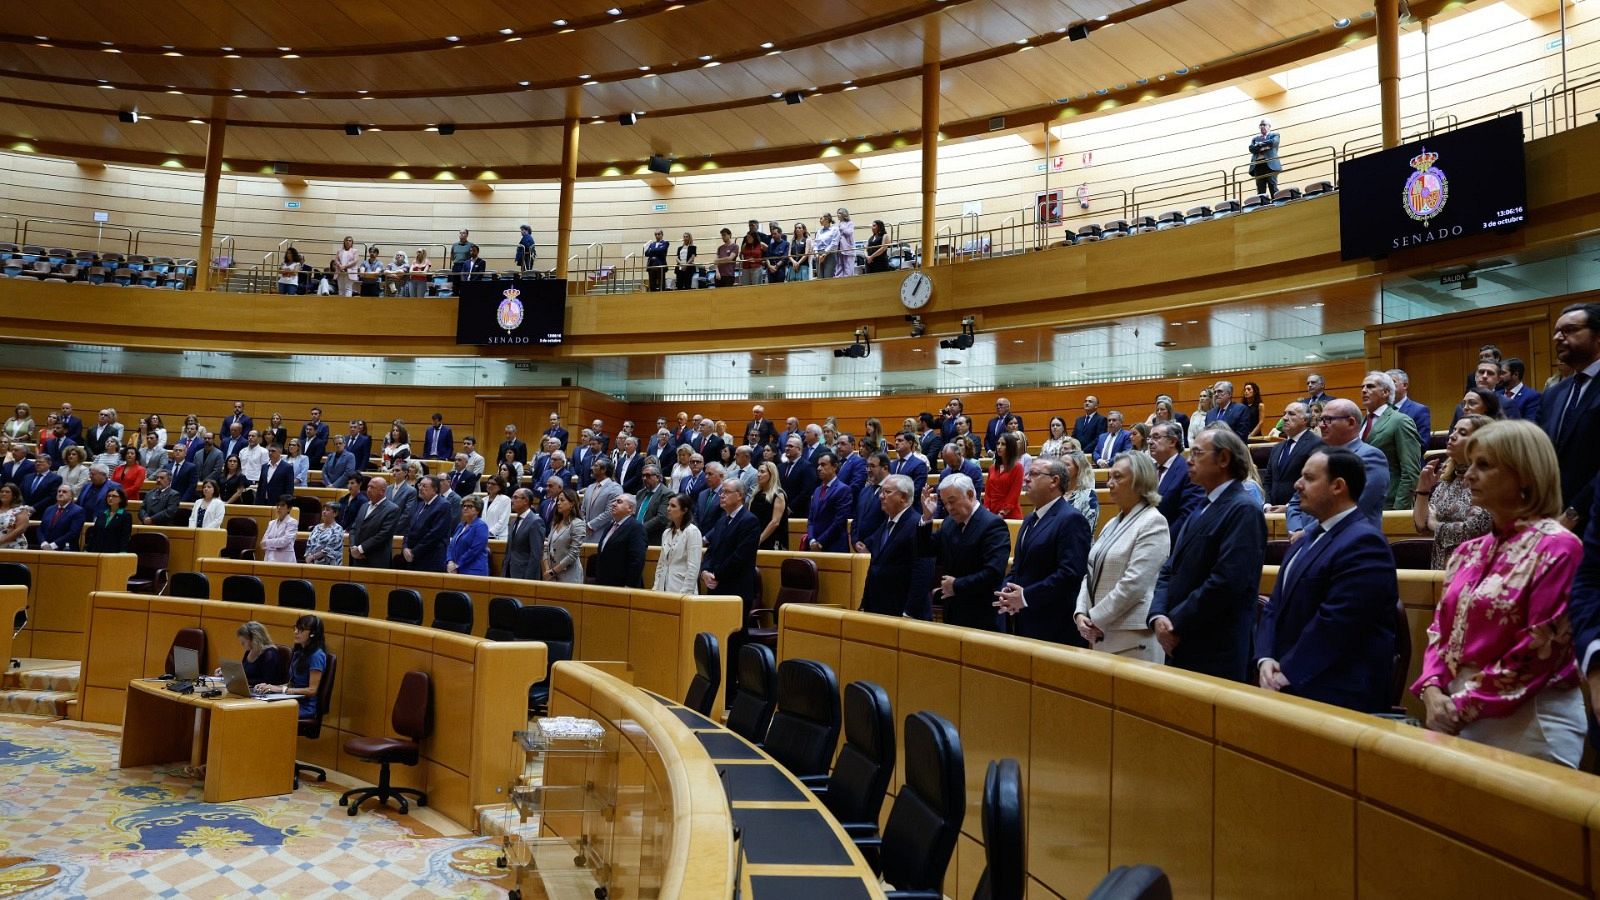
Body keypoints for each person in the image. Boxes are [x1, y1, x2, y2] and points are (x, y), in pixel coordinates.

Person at [1412, 420, 1585, 767]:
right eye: (1470, 464)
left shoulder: (1559, 547)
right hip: (1455, 708)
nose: (1468, 475)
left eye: (1484, 465)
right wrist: (1431, 689)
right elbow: (1439, 631)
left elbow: (1540, 648)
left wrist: (1461, 705)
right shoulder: (1467, 551)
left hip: (1532, 717)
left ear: (1525, 474)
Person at [1256, 449, 1398, 712]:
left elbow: (1339, 621)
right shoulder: (1306, 538)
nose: (1297, 485)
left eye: (1308, 478)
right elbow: (1275, 605)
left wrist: (1288, 670)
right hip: (1288, 680)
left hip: (1337, 692)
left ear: (1338, 486)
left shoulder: (1364, 543)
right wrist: (1265, 657)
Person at [1148, 428, 1268, 681]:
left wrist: (1175, 622)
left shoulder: (1244, 509)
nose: (1189, 460)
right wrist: (1158, 615)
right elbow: (1170, 568)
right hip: (1182, 638)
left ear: (1223, 459)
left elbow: (1226, 582)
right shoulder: (1202, 507)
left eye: (1198, 453)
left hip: (1215, 646)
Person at [1064, 450, 1169, 660]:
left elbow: (1134, 584)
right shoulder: (1113, 523)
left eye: (1118, 477)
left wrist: (1094, 617)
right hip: (1100, 633)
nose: (1110, 482)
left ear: (1140, 481)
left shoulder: (1153, 522)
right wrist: (1080, 613)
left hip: (1132, 639)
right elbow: (1090, 571)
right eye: (1109, 476)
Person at [992, 456, 1091, 645]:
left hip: (1055, 626)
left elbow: (1070, 574)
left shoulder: (1071, 519)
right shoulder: (1030, 519)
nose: (1027, 478)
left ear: (1054, 481)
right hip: (1025, 620)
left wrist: (1025, 597)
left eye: (1035, 474)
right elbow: (1018, 568)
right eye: (1027, 474)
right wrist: (1007, 590)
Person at [916, 474, 1010, 631]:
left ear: (970, 494)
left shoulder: (993, 525)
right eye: (945, 503)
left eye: (952, 501)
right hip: (953, 613)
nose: (949, 508)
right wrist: (927, 517)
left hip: (982, 616)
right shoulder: (949, 523)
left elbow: (994, 572)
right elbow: (925, 550)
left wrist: (956, 585)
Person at [1286, 398, 1390, 535]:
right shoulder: (1319, 457)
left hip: (1350, 544)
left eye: (1328, 420)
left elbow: (1352, 509)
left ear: (1351, 422)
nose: (1321, 425)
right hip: (1311, 543)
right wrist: (1296, 530)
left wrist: (1306, 533)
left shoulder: (1371, 457)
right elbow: (1294, 503)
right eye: (1321, 420)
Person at [1539, 302, 1600, 532]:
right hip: (1552, 521)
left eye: (1569, 330)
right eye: (1556, 331)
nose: (1557, 337)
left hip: (1592, 518)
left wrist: (1574, 512)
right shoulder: (1554, 394)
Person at [1413, 415, 1494, 569]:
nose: (1452, 435)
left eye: (1462, 433)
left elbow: (1473, 529)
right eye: (1454, 430)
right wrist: (1423, 490)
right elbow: (1421, 525)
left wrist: (1436, 525)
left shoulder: (1489, 479)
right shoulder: (1449, 478)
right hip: (1441, 568)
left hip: (1474, 568)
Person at [1356, 370, 1423, 509]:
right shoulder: (1361, 423)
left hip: (1389, 503)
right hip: (1363, 503)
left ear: (1386, 392)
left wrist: (1399, 509)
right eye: (1362, 387)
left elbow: (1410, 471)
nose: (1363, 390)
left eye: (1370, 386)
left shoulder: (1400, 421)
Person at [699, 478, 761, 605]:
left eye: (726, 492)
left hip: (736, 590)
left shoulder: (749, 521)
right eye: (721, 492)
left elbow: (739, 557)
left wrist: (715, 574)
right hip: (715, 587)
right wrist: (705, 571)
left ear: (739, 495)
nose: (721, 495)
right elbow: (711, 550)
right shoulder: (721, 520)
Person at [257, 615, 328, 720]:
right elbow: (292, 683)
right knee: (258, 706)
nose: (295, 632)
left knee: (267, 714)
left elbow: (312, 690)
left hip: (304, 706)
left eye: (301, 629)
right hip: (291, 700)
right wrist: (270, 687)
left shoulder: (317, 656)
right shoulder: (299, 653)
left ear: (313, 633)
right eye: (295, 628)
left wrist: (283, 690)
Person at [1262, 402, 1321, 509]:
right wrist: (1267, 503)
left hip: (1301, 513)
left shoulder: (1316, 444)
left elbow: (1314, 481)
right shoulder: (1277, 448)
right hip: (1272, 513)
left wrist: (1290, 507)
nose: (1284, 418)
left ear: (1305, 420)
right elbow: (1268, 480)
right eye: (1284, 414)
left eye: (1291, 414)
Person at [590, 494, 646, 587]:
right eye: (614, 501)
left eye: (619, 502)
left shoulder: (636, 527)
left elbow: (637, 560)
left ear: (630, 509)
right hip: (604, 584)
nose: (613, 504)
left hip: (623, 586)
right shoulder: (610, 526)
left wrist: (629, 586)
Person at [652, 494, 703, 594]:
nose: (668, 509)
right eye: (668, 505)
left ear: (684, 510)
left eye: (673, 506)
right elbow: (661, 563)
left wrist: (685, 593)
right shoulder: (666, 533)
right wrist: (656, 586)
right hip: (663, 588)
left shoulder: (692, 531)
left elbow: (693, 567)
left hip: (681, 588)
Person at [804, 452, 852, 552]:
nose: (818, 468)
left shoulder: (843, 489)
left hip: (834, 546)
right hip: (814, 545)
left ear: (834, 467)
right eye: (818, 465)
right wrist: (812, 540)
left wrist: (820, 542)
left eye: (823, 465)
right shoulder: (817, 490)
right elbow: (811, 519)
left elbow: (839, 521)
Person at [349, 477, 400, 568]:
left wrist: (360, 549)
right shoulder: (364, 506)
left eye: (372, 487)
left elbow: (383, 534)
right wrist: (353, 547)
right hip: (357, 559)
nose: (368, 490)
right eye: (368, 486)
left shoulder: (392, 509)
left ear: (382, 491)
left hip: (376, 560)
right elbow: (353, 528)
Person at [402, 476, 449, 572]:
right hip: (413, 557)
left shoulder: (443, 505)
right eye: (419, 485)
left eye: (424, 486)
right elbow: (409, 529)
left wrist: (414, 552)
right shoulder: (420, 504)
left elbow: (434, 534)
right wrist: (405, 547)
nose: (420, 488)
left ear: (434, 489)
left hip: (431, 559)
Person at [543, 489, 586, 582]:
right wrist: (547, 569)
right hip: (551, 575)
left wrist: (553, 571)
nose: (558, 503)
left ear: (572, 503)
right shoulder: (555, 522)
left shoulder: (577, 524)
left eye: (562, 500)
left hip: (569, 576)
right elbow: (547, 547)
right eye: (558, 500)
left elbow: (573, 554)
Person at [983, 432, 1024, 519]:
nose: (999, 447)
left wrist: (1003, 513)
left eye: (1003, 444)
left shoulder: (1017, 467)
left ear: (1010, 447)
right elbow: (988, 492)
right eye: (998, 443)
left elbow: (1014, 493)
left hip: (1010, 514)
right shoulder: (992, 468)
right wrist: (986, 509)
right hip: (992, 513)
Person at [446, 496, 491, 576]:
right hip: (455, 569)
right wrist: (450, 561)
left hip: (473, 570)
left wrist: (457, 565)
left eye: (470, 506)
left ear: (478, 510)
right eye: (464, 506)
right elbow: (451, 546)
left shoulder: (481, 526)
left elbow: (474, 550)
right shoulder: (461, 525)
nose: (465, 508)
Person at [35, 484, 85, 551]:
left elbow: (73, 533)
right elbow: (41, 528)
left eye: (64, 492)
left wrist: (53, 545)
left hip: (65, 550)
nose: (60, 493)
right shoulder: (49, 509)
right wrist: (43, 543)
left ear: (72, 496)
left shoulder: (78, 511)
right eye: (59, 491)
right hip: (45, 548)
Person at [84, 486, 132, 553]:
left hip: (114, 551)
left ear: (121, 499)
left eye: (114, 496)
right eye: (108, 496)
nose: (110, 498)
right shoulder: (102, 514)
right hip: (97, 550)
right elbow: (94, 534)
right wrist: (87, 549)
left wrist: (123, 552)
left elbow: (125, 536)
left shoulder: (125, 516)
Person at [1063, 449, 1100, 534]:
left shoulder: (1089, 495)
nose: (1062, 468)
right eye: (1060, 464)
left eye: (1067, 465)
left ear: (1078, 468)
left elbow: (1088, 529)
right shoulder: (1055, 493)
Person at [1248, 119, 1282, 197]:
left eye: (1264, 125)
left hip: (1270, 164)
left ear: (1269, 126)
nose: (1262, 126)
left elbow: (1273, 142)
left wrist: (1259, 145)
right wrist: (1265, 146)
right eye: (1261, 125)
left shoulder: (1275, 135)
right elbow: (1251, 149)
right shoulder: (1255, 139)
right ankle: (1263, 206)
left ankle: (1276, 204)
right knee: (1260, 189)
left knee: (1273, 186)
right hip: (1258, 165)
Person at [261, 497, 299, 563]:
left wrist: (268, 543)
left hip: (285, 560)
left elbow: (284, 541)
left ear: (289, 508)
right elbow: (262, 544)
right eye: (278, 505)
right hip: (269, 558)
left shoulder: (292, 522)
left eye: (282, 505)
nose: (279, 507)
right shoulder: (271, 523)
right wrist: (275, 544)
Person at [0, 483, 30, 550]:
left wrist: (1, 540)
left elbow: (20, 529)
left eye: (7, 492)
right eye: (2, 492)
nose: (3, 494)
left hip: (14, 546)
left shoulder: (20, 509)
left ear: (14, 495)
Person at [834, 207, 856, 276]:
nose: (838, 214)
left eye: (840, 213)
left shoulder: (850, 223)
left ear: (844, 214)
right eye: (837, 213)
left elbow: (849, 233)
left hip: (848, 250)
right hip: (839, 250)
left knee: (848, 269)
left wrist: (842, 227)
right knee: (839, 268)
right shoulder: (838, 225)